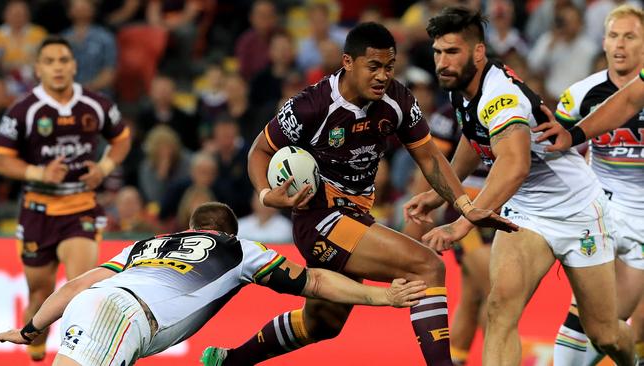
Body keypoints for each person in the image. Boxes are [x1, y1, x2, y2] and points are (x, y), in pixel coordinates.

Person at [203, 21, 516, 366]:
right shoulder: (311, 106)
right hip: (320, 217)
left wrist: (464, 205)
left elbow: (429, 157)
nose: (383, 76)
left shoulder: (397, 99)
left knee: (321, 324)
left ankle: (229, 361)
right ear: (348, 62)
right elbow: (259, 151)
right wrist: (265, 195)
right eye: (374, 66)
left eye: (389, 66)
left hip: (357, 215)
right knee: (427, 266)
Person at [404, 7, 635, 365]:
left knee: (604, 333)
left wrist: (463, 221)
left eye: (452, 52)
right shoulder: (462, 85)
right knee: (499, 310)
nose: (442, 63)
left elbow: (514, 165)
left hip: (577, 211)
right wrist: (440, 193)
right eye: (438, 52)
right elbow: (474, 137)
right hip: (526, 212)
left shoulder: (502, 97)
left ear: (478, 52)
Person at [0, 202, 428, 366]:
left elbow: (75, 287)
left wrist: (31, 328)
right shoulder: (240, 249)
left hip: (95, 305)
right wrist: (382, 295)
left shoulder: (147, 245)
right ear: (228, 230)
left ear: (190, 227)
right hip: (123, 318)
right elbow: (313, 281)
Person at [0, 36, 130, 364]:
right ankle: (37, 348)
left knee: (81, 289)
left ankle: (79, 357)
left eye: (64, 60)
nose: (58, 67)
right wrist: (39, 173)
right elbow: (0, 158)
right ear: (38, 68)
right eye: (50, 61)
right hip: (38, 211)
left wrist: (104, 167)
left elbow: (121, 138)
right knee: (40, 294)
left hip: (80, 207)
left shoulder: (97, 104)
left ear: (74, 66)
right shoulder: (24, 110)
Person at [536, 6, 644, 365]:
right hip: (603, 212)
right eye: (614, 35)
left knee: (612, 330)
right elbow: (548, 146)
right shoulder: (581, 94)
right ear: (603, 40)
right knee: (588, 314)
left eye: (630, 36)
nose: (620, 45)